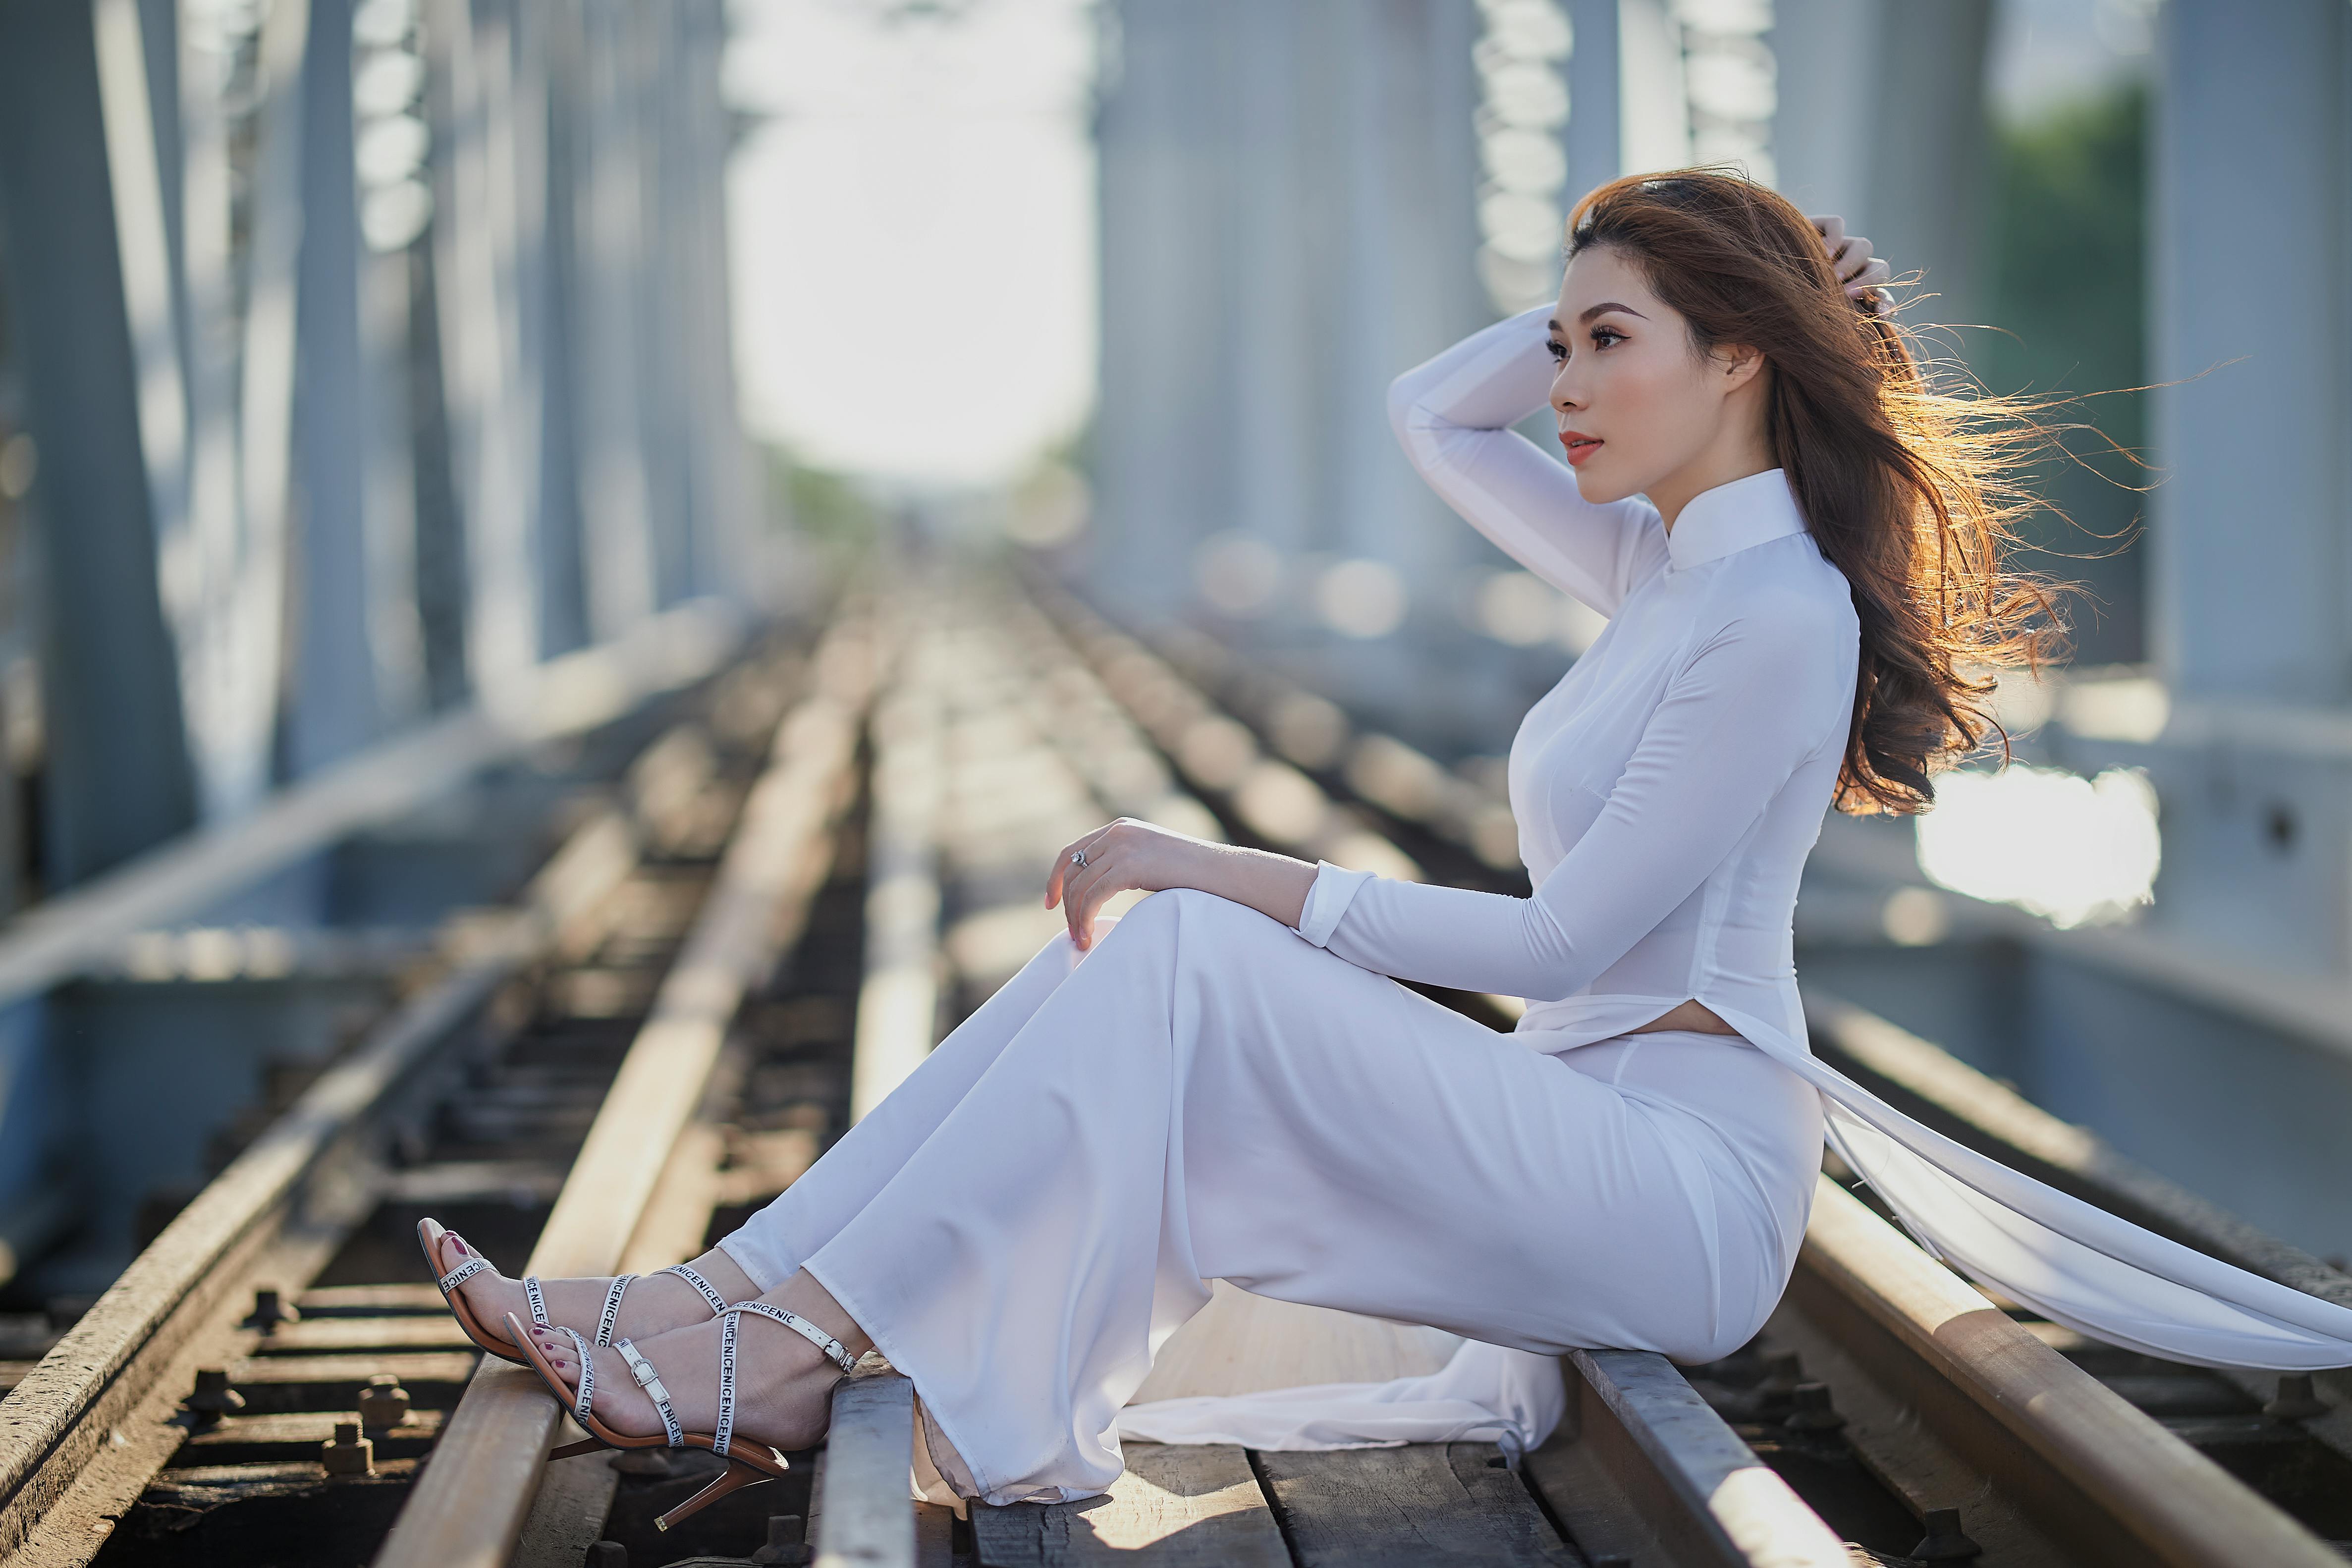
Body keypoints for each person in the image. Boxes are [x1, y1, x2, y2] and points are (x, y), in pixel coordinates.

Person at [424, 170, 2352, 1524]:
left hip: (1676, 1196)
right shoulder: (1662, 571)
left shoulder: (1774, 615)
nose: (1566, 386)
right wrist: (1612, 300)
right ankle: (720, 1299)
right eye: (1566, 343)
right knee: (1151, 962)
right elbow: (1430, 415)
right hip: (1588, 1134)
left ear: (1737, 363)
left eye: (1610, 347)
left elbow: (1567, 936)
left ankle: (767, 1342)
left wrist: (1220, 870)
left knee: (1176, 952)